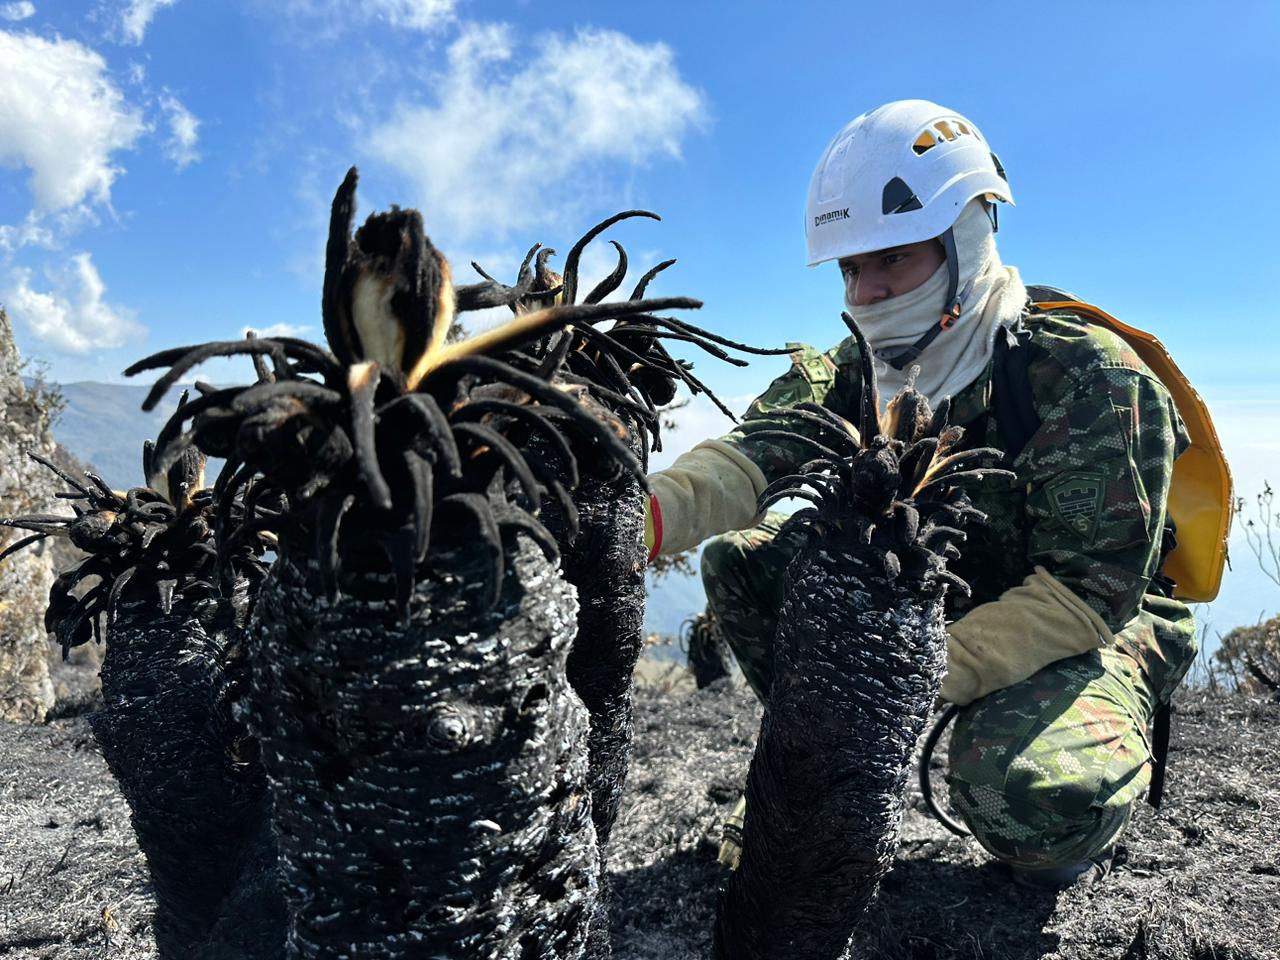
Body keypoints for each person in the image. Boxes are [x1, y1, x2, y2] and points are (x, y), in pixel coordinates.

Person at [643, 99, 1199, 887]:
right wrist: (627, 524)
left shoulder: (1086, 377)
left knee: (1028, 796)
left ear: (963, 243)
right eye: (850, 267)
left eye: (891, 259)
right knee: (748, 563)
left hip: (1092, 619)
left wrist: (902, 681)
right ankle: (821, 778)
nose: (864, 293)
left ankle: (1067, 831)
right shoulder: (859, 369)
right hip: (945, 597)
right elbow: (743, 461)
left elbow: (1089, 593)